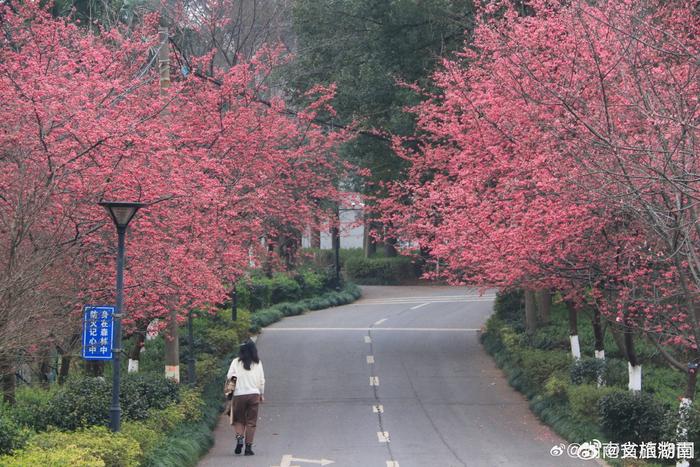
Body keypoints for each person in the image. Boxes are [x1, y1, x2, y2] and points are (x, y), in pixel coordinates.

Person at [227, 339, 265, 456]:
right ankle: (248, 448)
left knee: (239, 419)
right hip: (254, 394)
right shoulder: (257, 363)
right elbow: (261, 381)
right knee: (251, 422)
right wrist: (261, 394)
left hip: (239, 395)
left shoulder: (235, 362)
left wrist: (230, 392)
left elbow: (230, 377)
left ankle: (239, 438)